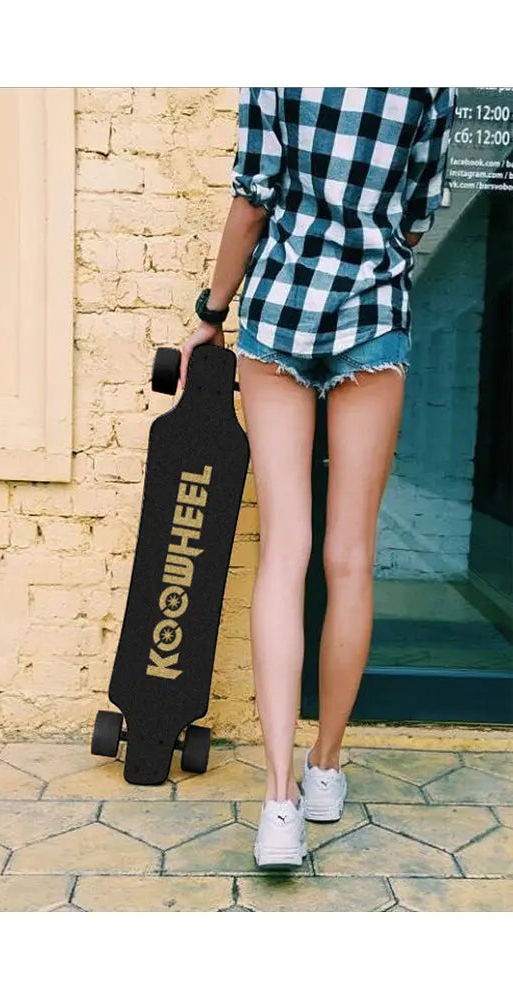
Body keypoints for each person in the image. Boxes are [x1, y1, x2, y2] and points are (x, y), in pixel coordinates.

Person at [180, 87, 456, 870]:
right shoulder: (428, 75)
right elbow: (415, 212)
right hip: (373, 314)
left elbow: (252, 199)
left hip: (279, 313)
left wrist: (211, 309)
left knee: (284, 552)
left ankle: (277, 804)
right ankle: (326, 767)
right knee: (350, 558)